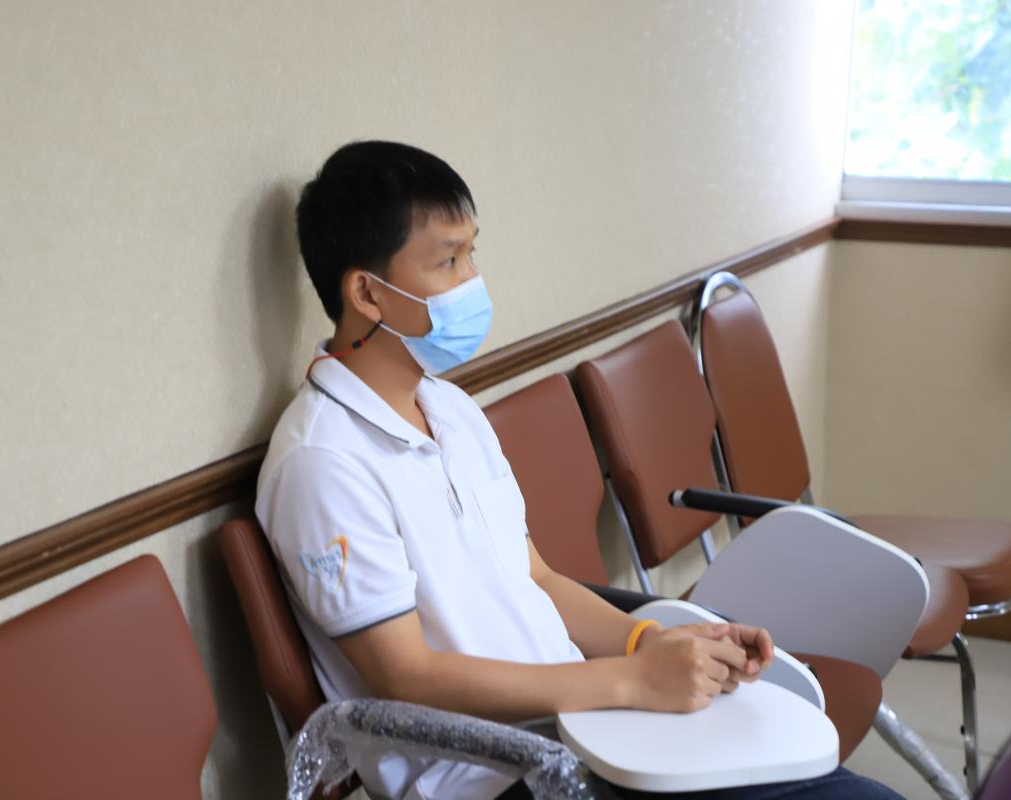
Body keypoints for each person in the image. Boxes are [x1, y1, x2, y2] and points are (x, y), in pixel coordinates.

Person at [255, 141, 903, 800]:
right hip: (494, 777)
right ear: (367, 293)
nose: (472, 280)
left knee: (840, 787)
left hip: (588, 727)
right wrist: (632, 681)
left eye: (473, 253)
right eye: (448, 260)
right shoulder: (321, 462)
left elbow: (536, 578)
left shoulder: (449, 409)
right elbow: (406, 678)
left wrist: (657, 643)